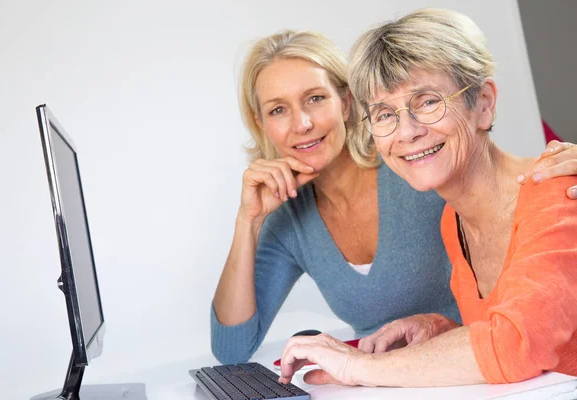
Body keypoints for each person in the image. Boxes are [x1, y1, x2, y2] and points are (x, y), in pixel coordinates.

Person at [211, 29, 577, 365]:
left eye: (316, 98)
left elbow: (523, 302)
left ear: (347, 102)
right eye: (278, 110)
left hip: (482, 373)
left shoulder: (418, 166)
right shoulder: (289, 220)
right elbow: (231, 350)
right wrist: (249, 221)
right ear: (261, 123)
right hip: (398, 381)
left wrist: (553, 173)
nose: (301, 123)